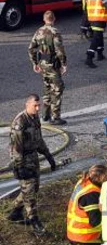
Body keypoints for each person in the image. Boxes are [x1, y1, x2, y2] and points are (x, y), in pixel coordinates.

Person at [7, 94, 57, 235]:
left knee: (33, 188)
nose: (37, 108)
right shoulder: (20, 122)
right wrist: (19, 167)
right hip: (23, 160)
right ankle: (34, 221)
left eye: (38, 105)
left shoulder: (35, 119)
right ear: (27, 104)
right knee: (29, 192)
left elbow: (38, 140)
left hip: (33, 158)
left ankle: (15, 212)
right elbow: (16, 148)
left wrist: (48, 155)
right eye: (34, 105)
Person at [28, 11, 67, 125]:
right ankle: (56, 117)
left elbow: (31, 48)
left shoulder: (38, 31)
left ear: (44, 19)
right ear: (54, 19)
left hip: (43, 64)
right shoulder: (55, 32)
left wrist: (34, 63)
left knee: (47, 88)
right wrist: (63, 64)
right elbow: (59, 50)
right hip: (53, 65)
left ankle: (45, 115)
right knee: (57, 90)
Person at [67, 164, 107, 245]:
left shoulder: (83, 182)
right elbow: (95, 222)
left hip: (73, 233)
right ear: (102, 178)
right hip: (84, 237)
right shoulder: (92, 195)